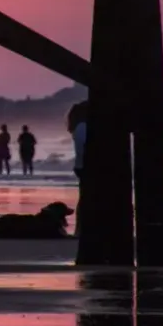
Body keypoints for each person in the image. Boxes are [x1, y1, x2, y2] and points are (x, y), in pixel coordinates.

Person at [68, 101, 88, 237]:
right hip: (85, 167)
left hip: (81, 166)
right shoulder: (83, 127)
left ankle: (80, 229)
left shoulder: (80, 127)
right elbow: (83, 148)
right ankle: (80, 229)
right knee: (85, 199)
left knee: (85, 198)